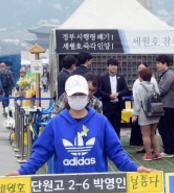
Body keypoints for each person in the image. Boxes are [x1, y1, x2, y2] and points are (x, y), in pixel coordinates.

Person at [6, 75, 151, 176]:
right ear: (66, 96)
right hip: (65, 189)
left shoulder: (101, 122)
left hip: (96, 188)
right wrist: (22, 172)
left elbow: (117, 153)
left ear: (88, 94)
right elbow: (40, 153)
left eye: (81, 94)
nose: (78, 98)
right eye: (74, 95)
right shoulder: (56, 124)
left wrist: (136, 169)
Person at [132, 67, 162, 161]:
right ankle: (157, 153)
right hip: (155, 112)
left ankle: (148, 154)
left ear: (141, 77)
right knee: (153, 134)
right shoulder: (153, 86)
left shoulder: (140, 87)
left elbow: (137, 102)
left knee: (145, 135)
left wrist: (135, 115)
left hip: (144, 114)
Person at [155, 54, 174, 158]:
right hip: (168, 105)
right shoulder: (165, 73)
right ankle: (172, 149)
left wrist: (153, 94)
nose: (157, 65)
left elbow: (162, 90)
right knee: (170, 127)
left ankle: (169, 150)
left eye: (159, 63)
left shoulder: (169, 74)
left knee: (165, 127)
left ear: (165, 63)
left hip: (167, 105)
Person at [99, 58, 130, 138]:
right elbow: (99, 91)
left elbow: (126, 89)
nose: (114, 67)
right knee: (107, 126)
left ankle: (117, 144)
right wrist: (109, 96)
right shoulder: (102, 77)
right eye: (112, 65)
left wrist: (118, 94)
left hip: (117, 105)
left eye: (115, 65)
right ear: (108, 67)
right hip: (107, 105)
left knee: (117, 126)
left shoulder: (121, 77)